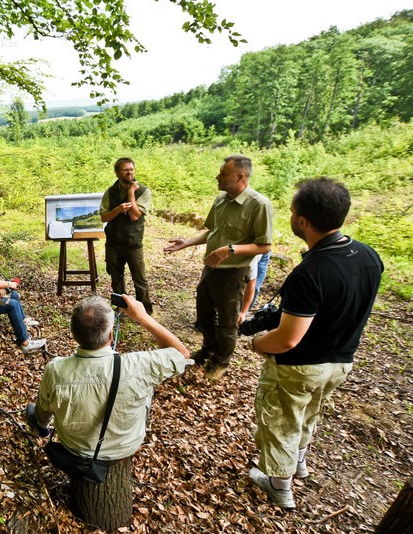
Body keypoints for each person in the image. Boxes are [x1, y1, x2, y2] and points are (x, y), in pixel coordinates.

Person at [249, 177, 383, 509]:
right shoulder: (369, 256)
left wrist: (259, 343)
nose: (291, 216)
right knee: (309, 413)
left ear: (303, 221)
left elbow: (287, 339)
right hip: (341, 362)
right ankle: (299, 462)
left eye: (293, 211)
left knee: (281, 420)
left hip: (301, 366)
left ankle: (280, 484)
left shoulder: (311, 273)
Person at [27, 294, 193, 460]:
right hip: (126, 445)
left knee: (43, 408)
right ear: (110, 336)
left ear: (74, 334)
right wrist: (143, 317)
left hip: (74, 447)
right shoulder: (138, 365)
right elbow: (182, 354)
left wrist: (42, 423)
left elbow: (44, 410)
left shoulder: (56, 369)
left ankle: (41, 426)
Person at [164, 155, 273, 381]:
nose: (218, 176)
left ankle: (221, 361)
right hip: (210, 268)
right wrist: (187, 242)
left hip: (233, 272)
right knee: (204, 315)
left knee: (227, 321)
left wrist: (230, 250)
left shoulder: (258, 204)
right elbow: (212, 232)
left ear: (240, 176)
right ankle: (208, 349)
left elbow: (265, 245)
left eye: (223, 173)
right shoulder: (221, 199)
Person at [100, 157, 154, 314]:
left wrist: (131, 193)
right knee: (116, 277)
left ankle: (145, 311)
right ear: (117, 173)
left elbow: (134, 216)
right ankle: (121, 308)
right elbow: (104, 217)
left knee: (139, 278)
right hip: (113, 242)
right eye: (125, 170)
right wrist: (117, 209)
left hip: (133, 242)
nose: (129, 172)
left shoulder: (143, 191)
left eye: (131, 169)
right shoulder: (110, 192)